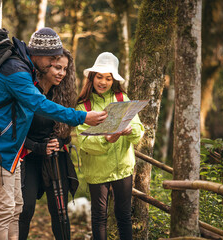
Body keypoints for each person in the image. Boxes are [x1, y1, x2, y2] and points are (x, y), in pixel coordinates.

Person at [0, 27, 107, 240]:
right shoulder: (17, 72)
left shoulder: (25, 69)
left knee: (16, 209)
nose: (52, 64)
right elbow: (40, 105)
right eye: (51, 59)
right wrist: (82, 117)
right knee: (4, 211)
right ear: (37, 53)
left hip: (10, 152)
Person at [75, 52, 144, 240]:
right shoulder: (83, 106)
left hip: (122, 168)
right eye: (99, 77)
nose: (103, 82)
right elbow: (85, 142)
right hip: (97, 170)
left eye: (108, 78)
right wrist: (107, 139)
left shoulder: (122, 98)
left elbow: (139, 130)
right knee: (99, 217)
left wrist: (131, 131)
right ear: (92, 77)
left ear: (114, 80)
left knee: (124, 216)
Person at [19, 48, 77, 240]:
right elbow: (15, 131)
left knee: (61, 213)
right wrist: (37, 147)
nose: (62, 73)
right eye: (57, 67)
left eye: (65, 69)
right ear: (46, 66)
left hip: (55, 157)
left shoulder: (63, 93)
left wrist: (59, 141)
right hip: (29, 156)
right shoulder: (29, 90)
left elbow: (67, 132)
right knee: (25, 210)